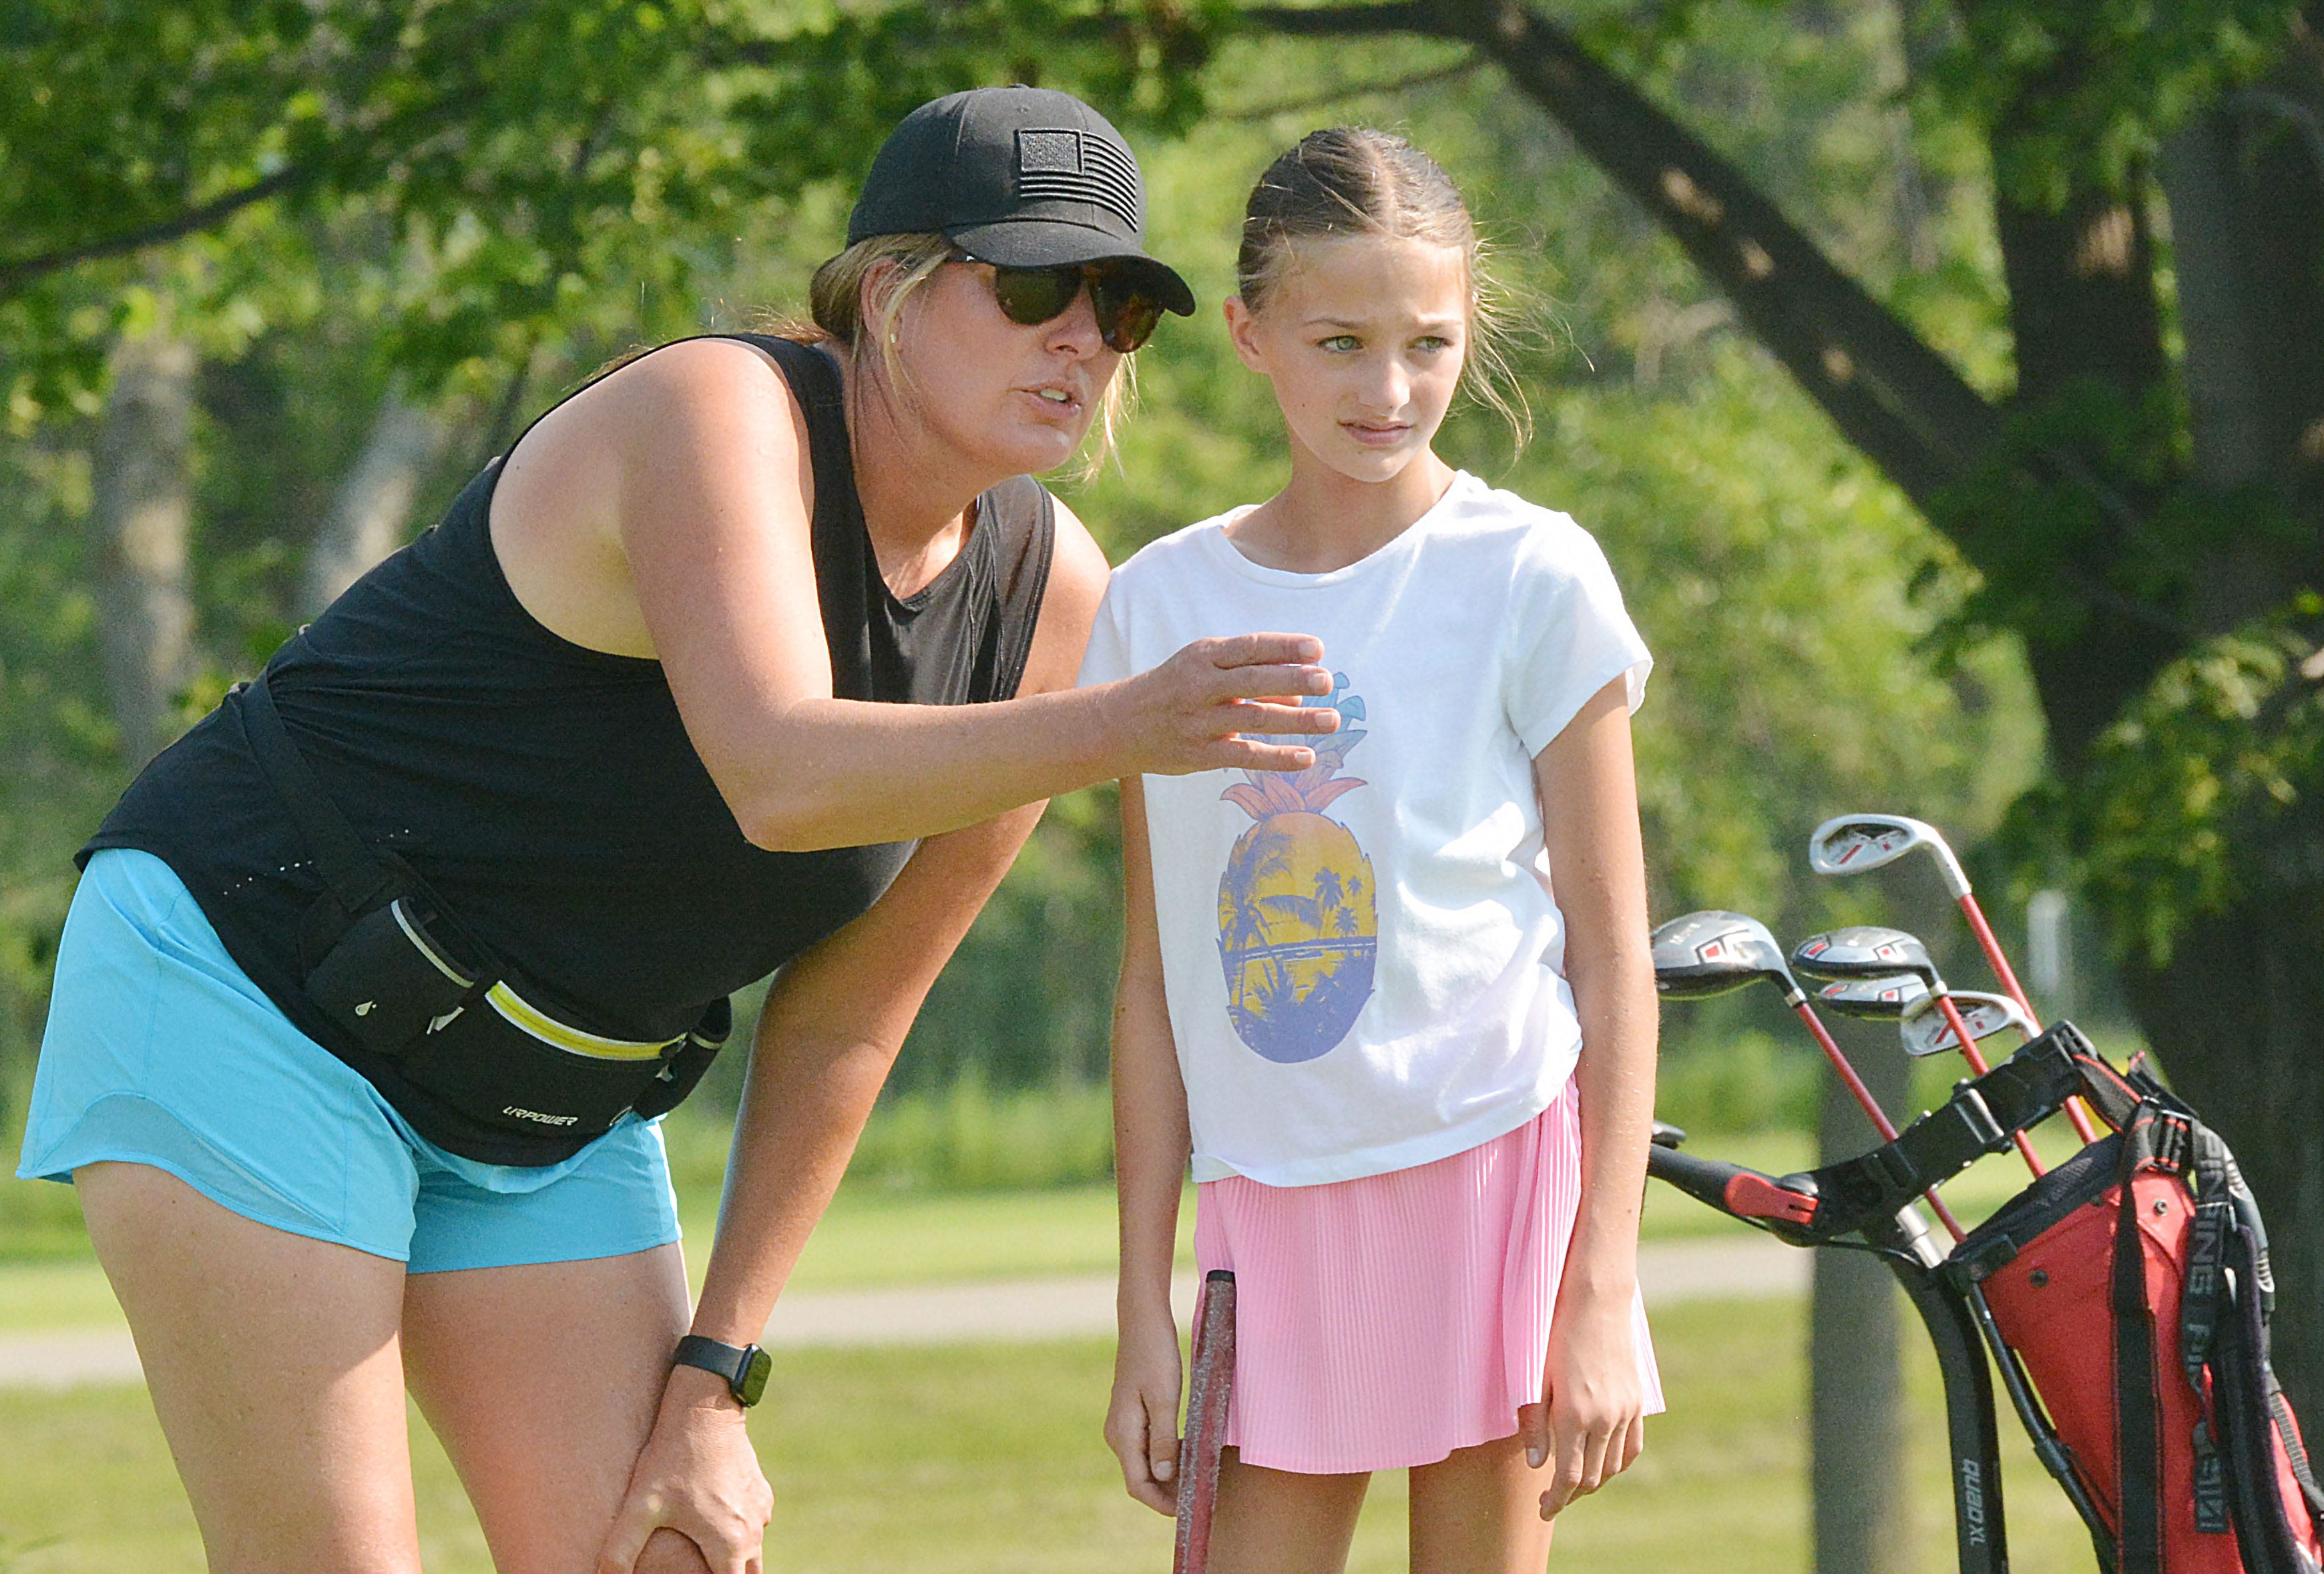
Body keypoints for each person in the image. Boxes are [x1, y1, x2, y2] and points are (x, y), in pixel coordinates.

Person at [13, 87, 1341, 1574]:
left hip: (545, 1092)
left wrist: (716, 1375)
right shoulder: (716, 413)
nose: (1083, 339)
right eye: (1032, 285)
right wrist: (1123, 727)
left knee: (667, 1552)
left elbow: (850, 1017)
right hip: (251, 982)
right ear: (887, 292)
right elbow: (779, 771)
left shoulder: (1055, 604)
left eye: (1121, 306)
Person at [1089, 127, 1666, 1573]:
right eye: (1340, 340)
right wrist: (1135, 1312)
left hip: (1495, 1175)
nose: (1390, 388)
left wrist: (1602, 1285)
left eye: (1428, 342)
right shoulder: (1160, 611)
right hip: (1264, 1209)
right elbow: (1155, 986)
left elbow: (1611, 960)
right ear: (1248, 334)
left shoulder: (1532, 576)